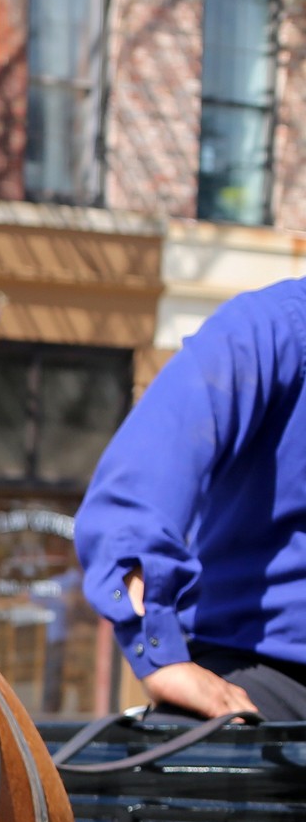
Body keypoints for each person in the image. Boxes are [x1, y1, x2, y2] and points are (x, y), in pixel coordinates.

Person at [76, 277, 306, 721]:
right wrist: (160, 654)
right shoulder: (271, 327)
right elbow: (138, 490)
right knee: (170, 773)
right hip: (263, 674)